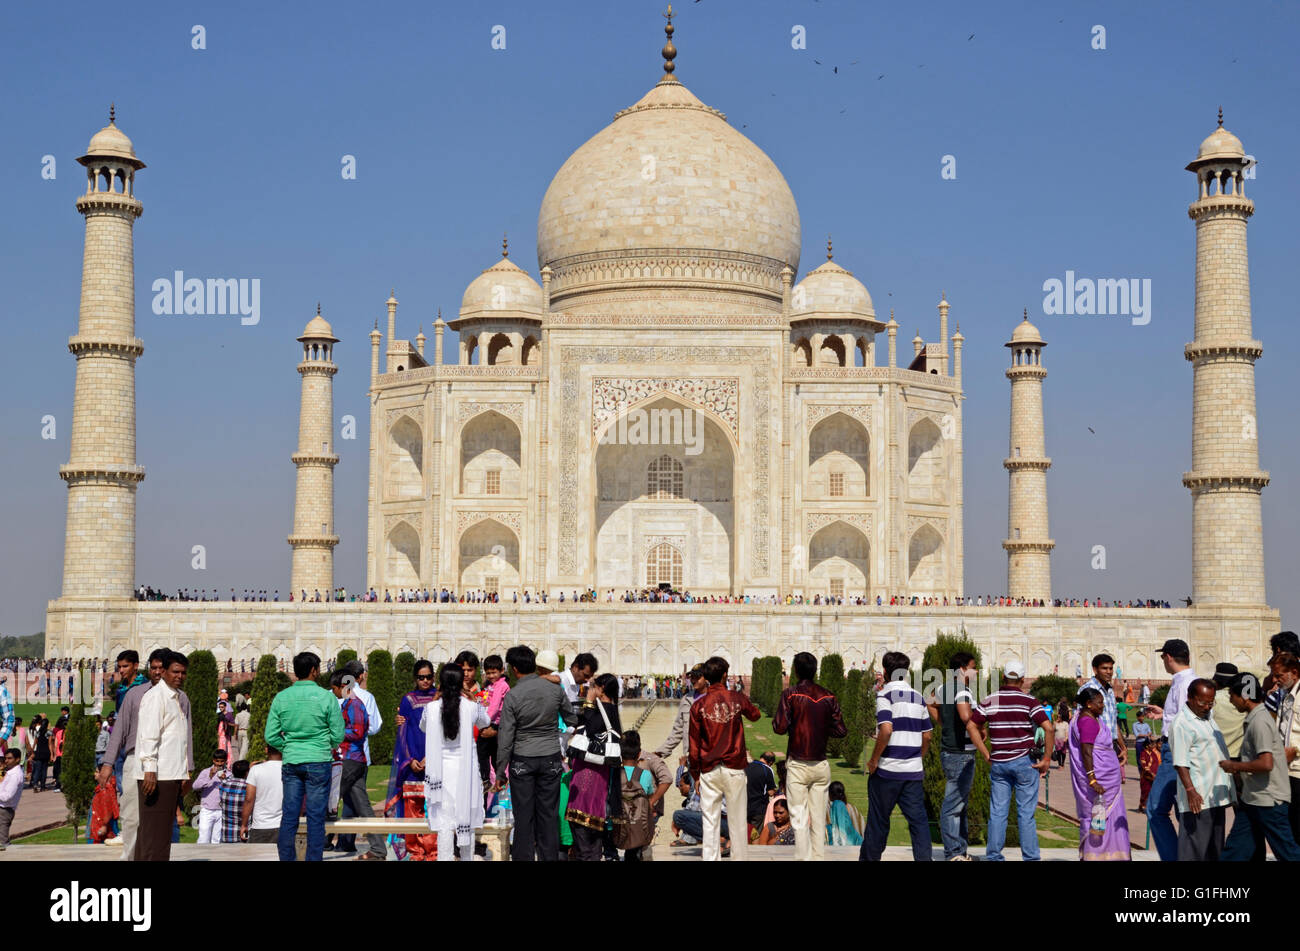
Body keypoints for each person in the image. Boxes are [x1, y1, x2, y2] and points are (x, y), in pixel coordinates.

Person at [494, 645, 577, 861]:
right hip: (550, 759)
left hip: (522, 760)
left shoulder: (513, 695)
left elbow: (505, 737)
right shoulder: (555, 690)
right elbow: (572, 720)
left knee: (524, 818)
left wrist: (501, 771)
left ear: (513, 668)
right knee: (548, 816)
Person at [969, 660, 1052, 861]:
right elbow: (1048, 728)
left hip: (999, 762)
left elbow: (972, 725)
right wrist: (1047, 759)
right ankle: (1031, 858)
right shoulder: (1029, 701)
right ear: (1022, 680)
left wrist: (984, 752)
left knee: (997, 813)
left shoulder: (990, 700)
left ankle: (994, 856)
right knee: (1026, 814)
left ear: (1004, 677)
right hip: (1025, 761)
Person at [266, 652, 344, 862]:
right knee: (315, 818)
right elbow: (338, 735)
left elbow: (270, 735)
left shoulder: (282, 697)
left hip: (292, 761)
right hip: (318, 760)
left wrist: (290, 746)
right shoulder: (326, 697)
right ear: (314, 670)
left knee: (289, 816)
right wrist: (323, 746)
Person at [772, 650, 847, 861]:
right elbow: (841, 730)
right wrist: (820, 728)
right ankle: (818, 858)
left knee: (798, 818)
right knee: (818, 818)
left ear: (795, 671)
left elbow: (779, 727)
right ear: (815, 671)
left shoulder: (791, 694)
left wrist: (795, 724)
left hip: (798, 763)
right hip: (821, 765)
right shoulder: (828, 696)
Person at [1219, 673, 1300, 861]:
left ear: (1244, 696)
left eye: (1232, 695)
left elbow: (1266, 763)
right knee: (1234, 851)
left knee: (1288, 853)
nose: (1231, 701)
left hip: (1269, 801)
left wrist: (1235, 765)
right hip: (1253, 799)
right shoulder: (1255, 718)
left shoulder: (1260, 721)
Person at [862, 651, 933, 861]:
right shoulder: (918, 698)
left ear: (885, 671)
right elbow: (927, 736)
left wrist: (874, 760)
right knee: (919, 823)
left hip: (887, 771)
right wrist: (917, 757)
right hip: (912, 772)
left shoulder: (885, 695)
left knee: (878, 822)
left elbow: (886, 730)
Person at [98, 649, 168, 860]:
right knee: (130, 813)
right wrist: (108, 762)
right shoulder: (135, 693)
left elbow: (186, 735)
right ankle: (129, 857)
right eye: (154, 668)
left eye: (161, 668)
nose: (157, 672)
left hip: (164, 759)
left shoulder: (179, 697)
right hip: (134, 756)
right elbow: (119, 729)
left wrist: (188, 768)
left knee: (162, 817)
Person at [423, 663, 490, 862]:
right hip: (465, 772)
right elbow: (485, 722)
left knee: (444, 824)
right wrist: (472, 698)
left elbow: (423, 727)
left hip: (440, 772)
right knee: (465, 820)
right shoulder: (471, 707)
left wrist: (436, 699)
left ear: (440, 683)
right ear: (462, 682)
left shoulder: (432, 708)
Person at [928, 651, 990, 861]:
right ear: (962, 669)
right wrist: (978, 730)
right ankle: (954, 853)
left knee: (959, 804)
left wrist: (945, 725)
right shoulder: (963, 691)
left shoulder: (943, 688)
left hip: (949, 750)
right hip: (960, 753)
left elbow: (930, 703)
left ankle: (960, 851)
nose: (976, 672)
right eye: (973, 667)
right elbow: (965, 716)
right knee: (953, 806)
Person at [134, 651, 194, 862]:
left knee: (154, 834)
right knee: (156, 837)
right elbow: (148, 736)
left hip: (170, 774)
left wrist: (185, 771)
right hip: (158, 775)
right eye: (175, 671)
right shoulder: (156, 697)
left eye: (183, 672)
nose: (180, 676)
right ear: (164, 672)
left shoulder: (174, 697)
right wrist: (150, 769)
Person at [1144, 638, 1199, 861]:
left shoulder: (1185, 683)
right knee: (1182, 811)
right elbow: (1184, 715)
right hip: (1177, 750)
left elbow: (1191, 721)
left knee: (1155, 809)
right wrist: (1163, 714)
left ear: (1168, 657)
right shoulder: (1185, 681)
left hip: (1176, 751)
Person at [1171, 679, 1234, 861]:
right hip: (1198, 798)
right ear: (1190, 698)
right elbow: (1180, 762)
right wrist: (1191, 791)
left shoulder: (1207, 718)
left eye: (1210, 702)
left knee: (1213, 850)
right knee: (1194, 851)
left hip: (1214, 796)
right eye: (1202, 702)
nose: (1207, 706)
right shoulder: (1182, 723)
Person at [565, 672, 624, 861]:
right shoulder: (610, 708)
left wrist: (589, 702)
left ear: (602, 689)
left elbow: (590, 726)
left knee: (584, 825)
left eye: (594, 686)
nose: (590, 690)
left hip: (591, 772)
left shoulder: (605, 708)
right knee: (590, 829)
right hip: (596, 770)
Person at [385, 658, 440, 860]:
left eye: (428, 677)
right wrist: (410, 760)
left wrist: (430, 757)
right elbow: (402, 732)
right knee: (412, 810)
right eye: (420, 677)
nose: (425, 681)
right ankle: (415, 852)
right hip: (413, 762)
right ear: (415, 679)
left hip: (434, 762)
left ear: (433, 677)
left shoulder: (439, 699)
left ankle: (432, 852)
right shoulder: (408, 700)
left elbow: (443, 732)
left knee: (433, 809)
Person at [1068, 687, 1130, 860]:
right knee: (1099, 817)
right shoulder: (1087, 722)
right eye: (1100, 703)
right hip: (1100, 781)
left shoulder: (1092, 718)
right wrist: (1092, 779)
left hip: (1108, 779)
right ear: (1089, 704)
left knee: (1106, 818)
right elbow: (1087, 751)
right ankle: (1097, 855)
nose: (1103, 706)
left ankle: (1110, 853)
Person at [330, 670, 385, 860]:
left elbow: (358, 732)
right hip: (353, 759)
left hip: (351, 760)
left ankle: (314, 841)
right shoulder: (349, 704)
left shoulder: (354, 705)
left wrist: (335, 732)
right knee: (363, 808)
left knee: (328, 798)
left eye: (335, 688)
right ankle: (378, 849)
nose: (333, 692)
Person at [1269, 651, 1300, 843]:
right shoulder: (1283, 695)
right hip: (1285, 770)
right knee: (1289, 826)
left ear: (1294, 673)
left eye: (1279, 675)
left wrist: (1295, 750)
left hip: (1298, 770)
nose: (1275, 679)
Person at [614, 730, 657, 860]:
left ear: (620, 755)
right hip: (640, 823)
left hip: (619, 823)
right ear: (639, 754)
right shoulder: (646, 774)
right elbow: (650, 794)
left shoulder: (614, 774)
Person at [654, 664, 707, 759]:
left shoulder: (714, 699)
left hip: (711, 758)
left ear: (707, 678)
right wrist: (660, 753)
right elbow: (678, 731)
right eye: (692, 677)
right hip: (691, 756)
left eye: (697, 677)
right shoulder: (686, 700)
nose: (693, 680)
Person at [241, 747, 283, 844]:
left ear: (266, 750)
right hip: (284, 825)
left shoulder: (256, 769)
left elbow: (249, 799)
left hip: (261, 825)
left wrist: (244, 824)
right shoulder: (290, 769)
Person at [191, 750, 231, 844]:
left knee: (217, 840)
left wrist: (224, 780)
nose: (219, 764)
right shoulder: (206, 772)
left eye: (222, 761)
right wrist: (210, 776)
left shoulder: (229, 774)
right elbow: (195, 786)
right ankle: (201, 857)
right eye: (217, 761)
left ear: (225, 761)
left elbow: (230, 790)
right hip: (207, 809)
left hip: (221, 810)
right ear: (213, 760)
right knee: (204, 838)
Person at [1210, 663, 1246, 758]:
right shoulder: (1244, 700)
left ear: (1216, 682)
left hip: (1217, 756)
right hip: (1239, 757)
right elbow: (1263, 675)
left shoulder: (1212, 699)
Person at [219, 760, 250, 843]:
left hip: (226, 834)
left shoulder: (223, 784)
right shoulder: (249, 788)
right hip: (244, 834)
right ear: (247, 773)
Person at [826, 780, 863, 846]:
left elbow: (840, 826)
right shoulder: (840, 804)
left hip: (852, 842)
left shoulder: (837, 804)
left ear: (831, 793)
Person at [0, 748, 22, 850]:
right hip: (3, 809)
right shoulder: (10, 772)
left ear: (17, 759)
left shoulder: (15, 775)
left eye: (10, 758)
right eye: (6, 758)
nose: (6, 760)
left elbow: (7, 796)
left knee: (2, 844)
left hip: (4, 810)